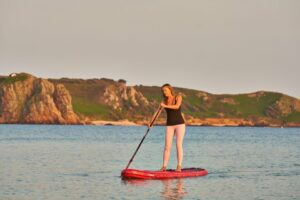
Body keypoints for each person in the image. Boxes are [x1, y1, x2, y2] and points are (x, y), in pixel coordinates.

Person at [148, 83, 186, 172]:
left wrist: (165, 106)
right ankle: (164, 166)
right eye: (163, 91)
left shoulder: (178, 97)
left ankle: (179, 166)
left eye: (165, 90)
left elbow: (176, 107)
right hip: (169, 125)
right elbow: (157, 113)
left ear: (170, 89)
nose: (164, 92)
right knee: (167, 147)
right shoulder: (164, 101)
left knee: (178, 145)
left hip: (180, 124)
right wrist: (151, 122)